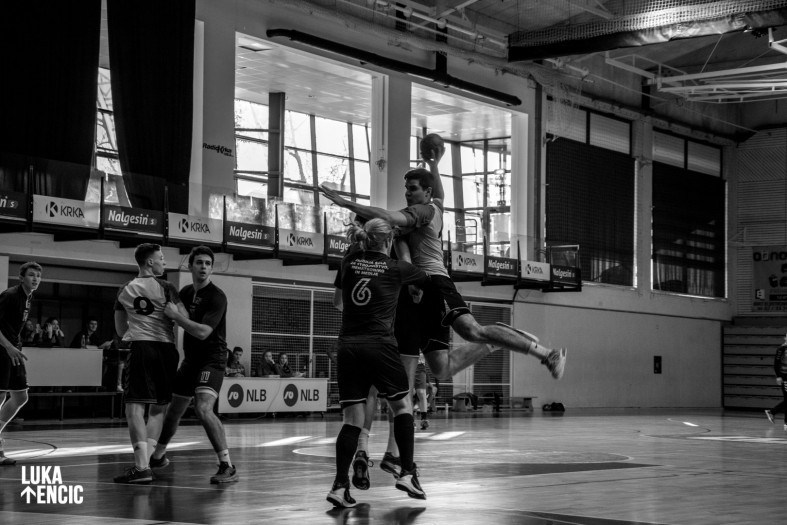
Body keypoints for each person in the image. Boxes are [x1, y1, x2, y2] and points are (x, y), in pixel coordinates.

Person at [321, 135, 567, 478]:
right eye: (406, 188)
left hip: (434, 283)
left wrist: (345, 202)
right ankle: (393, 454)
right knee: (439, 369)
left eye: (412, 188)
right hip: (411, 293)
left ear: (424, 193)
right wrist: (435, 164)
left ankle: (546, 353)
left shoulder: (422, 213)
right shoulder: (428, 207)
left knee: (471, 331)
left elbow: (387, 217)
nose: (407, 193)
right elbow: (432, 207)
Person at [327, 218, 428, 508]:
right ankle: (407, 472)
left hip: (348, 347)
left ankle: (340, 486)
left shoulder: (348, 262)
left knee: (352, 420)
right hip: (380, 345)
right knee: (402, 406)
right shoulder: (397, 268)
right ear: (388, 241)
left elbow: (338, 303)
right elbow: (425, 277)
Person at [150, 245, 239, 484]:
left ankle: (227, 465)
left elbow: (202, 332)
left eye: (208, 264)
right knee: (173, 411)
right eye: (199, 262)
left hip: (213, 359)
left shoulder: (217, 296)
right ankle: (157, 456)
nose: (203, 267)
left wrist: (176, 316)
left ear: (211, 269)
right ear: (190, 266)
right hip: (191, 360)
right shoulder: (186, 292)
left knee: (203, 408)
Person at [113, 243, 184, 484]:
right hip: (167, 350)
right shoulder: (167, 287)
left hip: (141, 347)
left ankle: (142, 467)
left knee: (134, 408)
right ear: (150, 262)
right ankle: (148, 462)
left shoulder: (125, 289)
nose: (164, 262)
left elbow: (120, 330)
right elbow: (183, 317)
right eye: (161, 258)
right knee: (159, 408)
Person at [0, 262, 42, 465]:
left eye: (38, 276)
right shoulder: (9, 296)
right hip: (2, 350)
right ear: (21, 277)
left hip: (14, 350)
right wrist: (8, 347)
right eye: (31, 275)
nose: (35, 279)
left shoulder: (28, 297)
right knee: (1, 397)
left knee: (20, 396)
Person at [765, 333, 787, 430]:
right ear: (785, 338)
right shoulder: (781, 349)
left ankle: (772, 412)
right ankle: (775, 414)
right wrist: (778, 376)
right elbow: (776, 363)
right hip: (784, 376)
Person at [414, 352, 430, 430]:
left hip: (420, 364)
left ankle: (424, 419)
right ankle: (410, 419)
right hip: (405, 363)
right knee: (408, 393)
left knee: (421, 392)